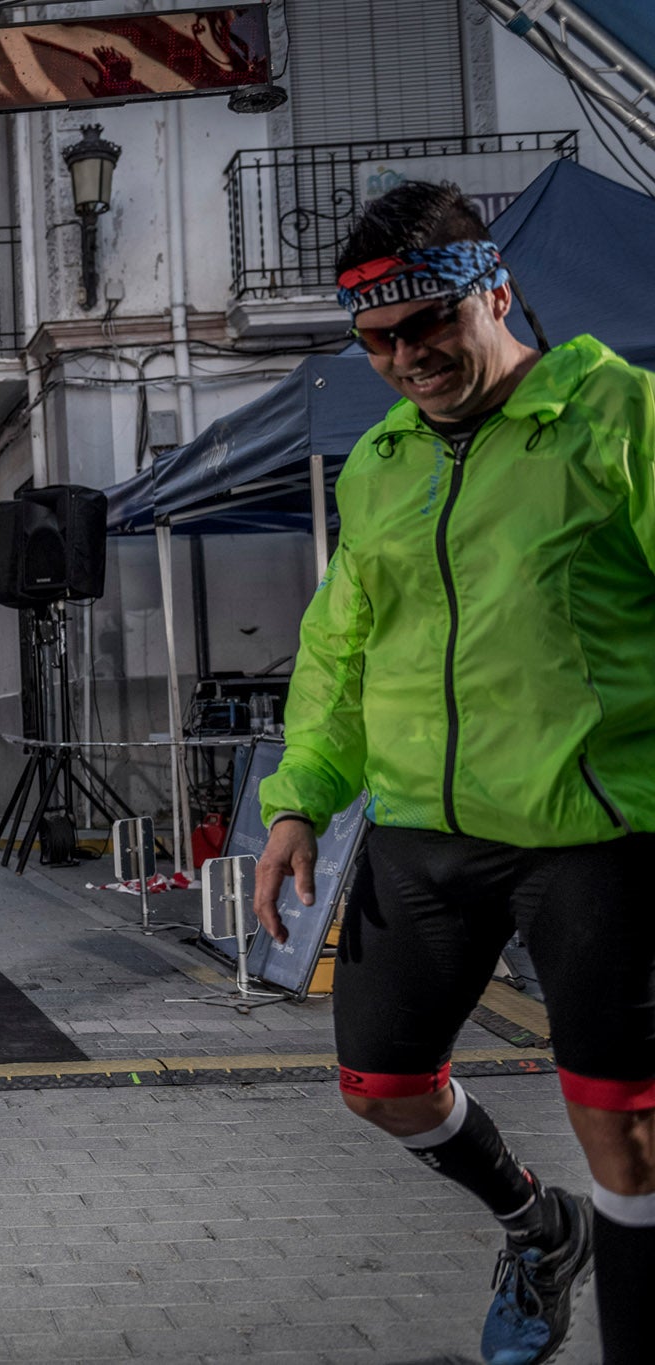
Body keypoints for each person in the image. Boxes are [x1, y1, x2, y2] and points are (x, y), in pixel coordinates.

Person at [253, 181, 654, 1365]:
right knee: (379, 1084)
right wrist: (296, 802)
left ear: (491, 290)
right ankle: (538, 1229)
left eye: (427, 323)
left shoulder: (616, 416)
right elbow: (338, 647)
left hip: (593, 830)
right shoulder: (377, 463)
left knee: (624, 1134)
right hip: (423, 828)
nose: (405, 357)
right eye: (374, 340)